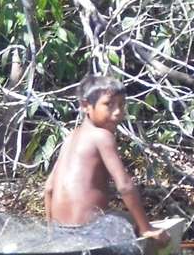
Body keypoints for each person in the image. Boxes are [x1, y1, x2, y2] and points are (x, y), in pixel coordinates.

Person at [43, 74, 165, 244]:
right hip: (88, 232)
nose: (117, 112)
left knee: (118, 216)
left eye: (122, 105)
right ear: (85, 106)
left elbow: (49, 188)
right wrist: (146, 229)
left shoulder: (71, 137)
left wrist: (51, 235)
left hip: (60, 232)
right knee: (128, 221)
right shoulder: (102, 136)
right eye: (108, 105)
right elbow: (124, 186)